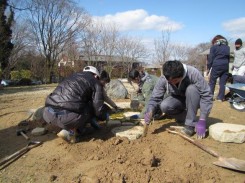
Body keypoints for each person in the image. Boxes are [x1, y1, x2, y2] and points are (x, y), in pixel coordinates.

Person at [144, 60, 213, 139]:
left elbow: (207, 95)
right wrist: (150, 109)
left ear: (182, 74)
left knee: (191, 89)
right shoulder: (164, 78)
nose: (173, 83)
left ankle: (190, 124)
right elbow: (155, 97)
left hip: (194, 98)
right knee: (164, 106)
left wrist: (203, 119)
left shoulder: (193, 73)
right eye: (170, 82)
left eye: (175, 81)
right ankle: (186, 117)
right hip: (179, 100)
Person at [42, 66, 108, 143]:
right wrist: (104, 117)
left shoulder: (72, 76)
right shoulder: (95, 82)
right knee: (90, 109)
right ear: (96, 75)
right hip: (65, 117)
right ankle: (70, 132)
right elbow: (98, 108)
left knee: (79, 106)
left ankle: (74, 128)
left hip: (48, 113)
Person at [207, 35, 230, 101]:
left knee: (212, 82)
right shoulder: (227, 47)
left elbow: (210, 58)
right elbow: (228, 58)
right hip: (225, 65)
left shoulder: (214, 47)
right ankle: (221, 97)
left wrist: (209, 67)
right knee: (223, 83)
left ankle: (210, 97)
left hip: (216, 65)